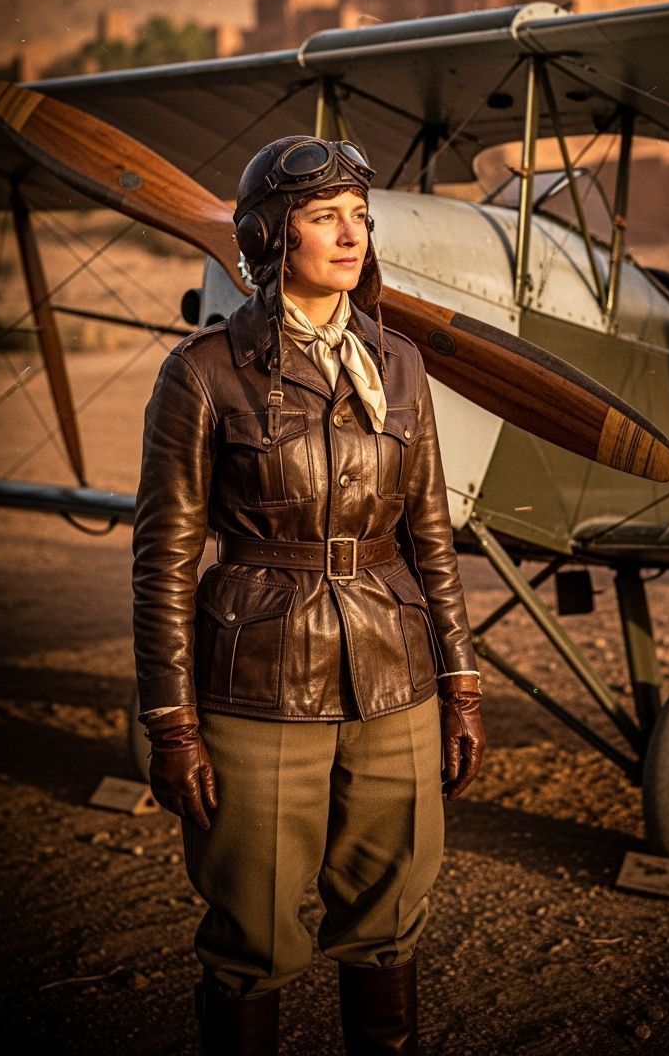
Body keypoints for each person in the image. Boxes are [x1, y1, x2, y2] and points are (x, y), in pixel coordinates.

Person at [132, 135, 486, 1056]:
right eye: (325, 216)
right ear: (268, 236)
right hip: (257, 680)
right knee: (250, 936)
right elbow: (165, 558)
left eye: (360, 216)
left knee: (390, 920)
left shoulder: (400, 363)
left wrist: (462, 684)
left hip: (394, 672)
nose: (351, 233)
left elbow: (432, 535)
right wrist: (172, 722)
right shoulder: (204, 372)